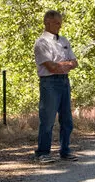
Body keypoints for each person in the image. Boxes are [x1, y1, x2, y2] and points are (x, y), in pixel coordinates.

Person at [33, 10, 79, 163]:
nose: (60, 26)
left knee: (67, 119)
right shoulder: (42, 42)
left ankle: (65, 151)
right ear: (47, 22)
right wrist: (66, 64)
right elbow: (51, 67)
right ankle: (42, 152)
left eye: (60, 23)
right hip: (50, 82)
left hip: (64, 81)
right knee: (47, 119)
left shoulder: (64, 41)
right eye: (57, 23)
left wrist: (62, 65)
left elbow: (75, 62)